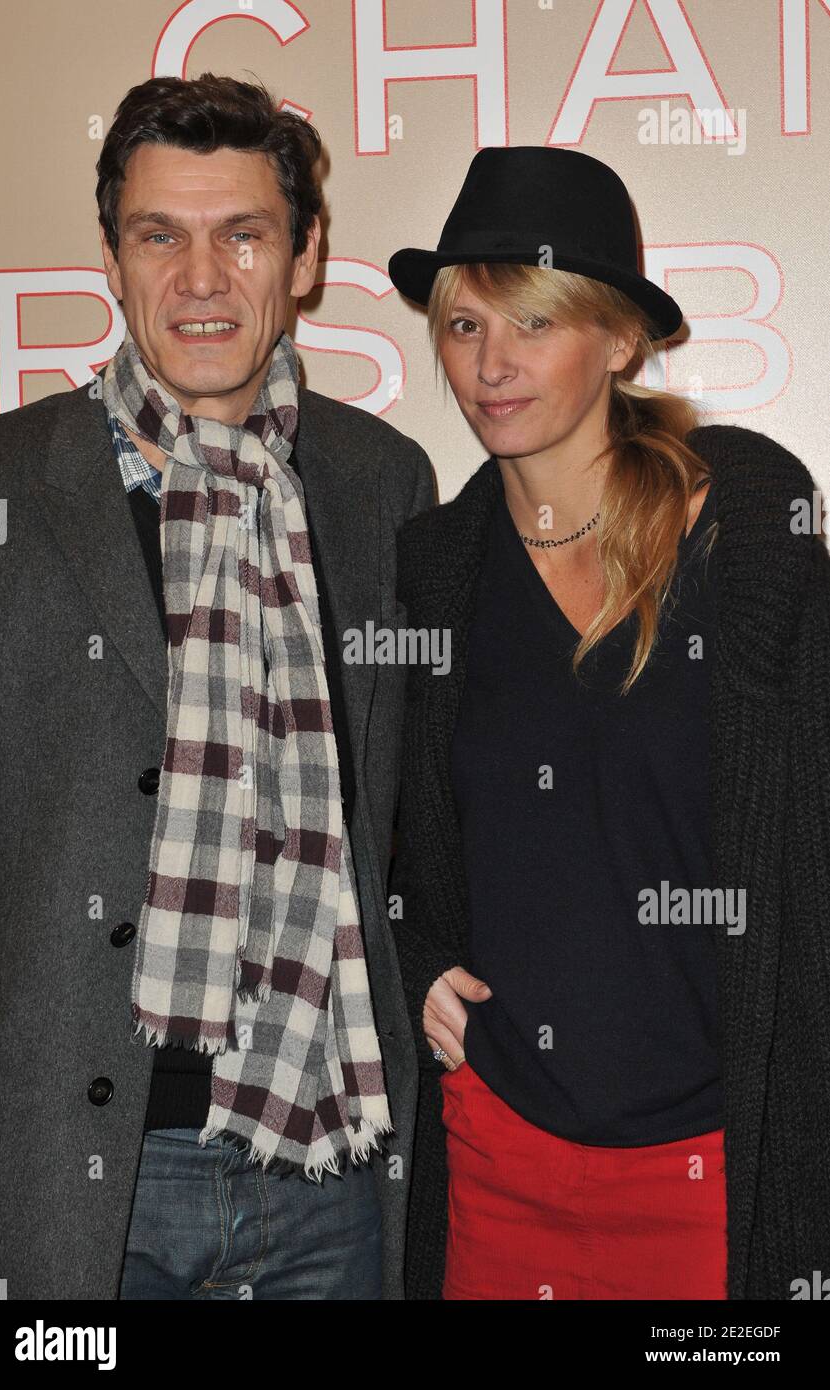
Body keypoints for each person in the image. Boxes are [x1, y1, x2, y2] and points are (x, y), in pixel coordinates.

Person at [0, 73, 434, 1301]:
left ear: (307, 256)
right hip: (67, 1167)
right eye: (158, 235)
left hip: (325, 1149)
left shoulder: (384, 484)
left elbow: (423, 799)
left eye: (243, 234)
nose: (201, 278)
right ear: (113, 258)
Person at [386, 145, 830, 1300]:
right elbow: (392, 818)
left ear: (623, 339)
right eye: (464, 326)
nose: (489, 365)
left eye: (532, 325)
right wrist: (417, 954)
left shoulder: (752, 555)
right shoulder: (435, 570)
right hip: (500, 1152)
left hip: (715, 1172)